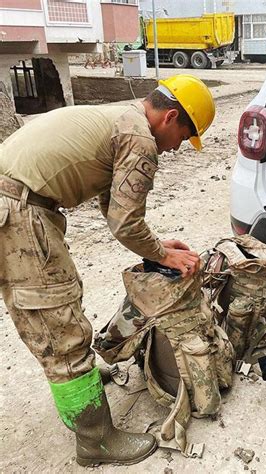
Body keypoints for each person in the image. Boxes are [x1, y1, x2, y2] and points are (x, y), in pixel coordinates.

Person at [0, 74, 215, 466]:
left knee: (52, 318)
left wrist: (157, 247)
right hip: (19, 213)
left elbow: (112, 204)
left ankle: (78, 392)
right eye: (183, 138)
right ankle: (95, 439)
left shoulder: (122, 117)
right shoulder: (142, 140)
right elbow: (126, 222)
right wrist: (164, 257)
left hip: (15, 202)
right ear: (170, 118)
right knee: (59, 323)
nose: (174, 149)